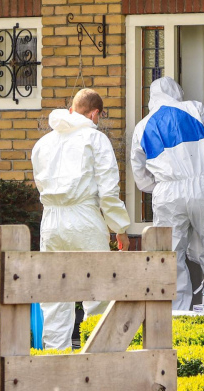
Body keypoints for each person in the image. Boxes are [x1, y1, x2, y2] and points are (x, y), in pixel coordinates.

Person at [32, 88, 131, 350]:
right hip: (84, 217)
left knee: (54, 293)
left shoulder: (43, 143)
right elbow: (108, 191)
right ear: (95, 112)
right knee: (97, 290)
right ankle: (96, 355)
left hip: (51, 221)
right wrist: (119, 228)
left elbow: (40, 183)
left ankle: (55, 359)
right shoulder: (94, 139)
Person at [131, 76, 204, 310]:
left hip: (167, 194)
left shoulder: (142, 126)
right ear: (177, 93)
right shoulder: (194, 108)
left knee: (170, 258)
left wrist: (162, 186)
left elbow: (140, 176)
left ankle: (175, 319)